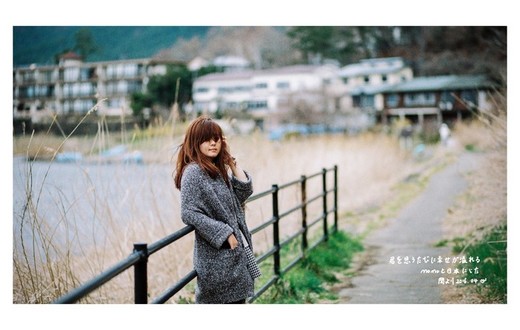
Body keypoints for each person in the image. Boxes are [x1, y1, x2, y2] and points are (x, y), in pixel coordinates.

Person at [174, 115, 261, 304]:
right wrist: (224, 233)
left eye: (216, 139)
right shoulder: (193, 172)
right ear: (195, 142)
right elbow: (188, 212)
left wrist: (231, 163)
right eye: (206, 139)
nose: (213, 143)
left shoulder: (216, 168)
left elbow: (243, 192)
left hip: (234, 255)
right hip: (217, 256)